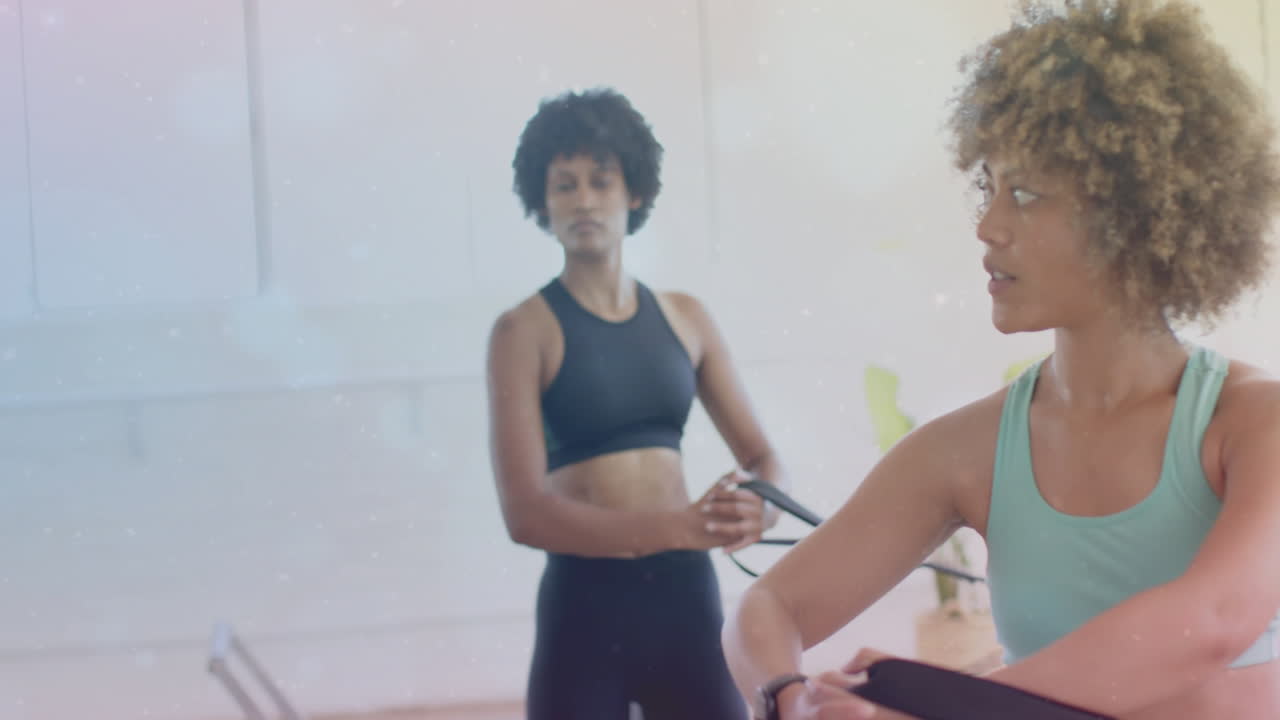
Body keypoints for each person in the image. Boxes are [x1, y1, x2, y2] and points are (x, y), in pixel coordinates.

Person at [721, 1, 1280, 718]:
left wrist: (938, 705)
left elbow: (1212, 623)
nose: (987, 226)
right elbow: (767, 605)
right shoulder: (969, 451)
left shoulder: (1253, 423)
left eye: (1025, 194)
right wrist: (788, 699)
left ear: (1131, 214)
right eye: (989, 188)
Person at [486, 87, 786, 720]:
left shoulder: (687, 318)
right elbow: (525, 515)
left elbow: (761, 456)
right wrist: (679, 526)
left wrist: (760, 507)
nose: (585, 200)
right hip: (583, 611)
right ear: (543, 203)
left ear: (636, 193)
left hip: (686, 602)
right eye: (565, 185)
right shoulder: (522, 331)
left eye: (601, 180)